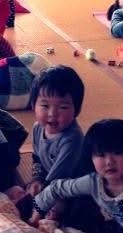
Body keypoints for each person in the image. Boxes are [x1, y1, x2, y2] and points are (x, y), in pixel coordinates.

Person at [30, 119, 123, 233]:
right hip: (122, 230)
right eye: (101, 155)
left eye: (117, 153)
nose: (109, 161)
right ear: (90, 157)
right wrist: (34, 218)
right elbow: (56, 189)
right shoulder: (94, 181)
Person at [26, 65, 85, 196]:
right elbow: (37, 157)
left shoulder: (72, 139)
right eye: (45, 105)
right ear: (33, 106)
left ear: (77, 110)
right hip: (50, 180)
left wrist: (37, 195)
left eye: (63, 107)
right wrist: (36, 179)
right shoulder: (37, 127)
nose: (52, 113)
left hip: (72, 185)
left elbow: (56, 182)